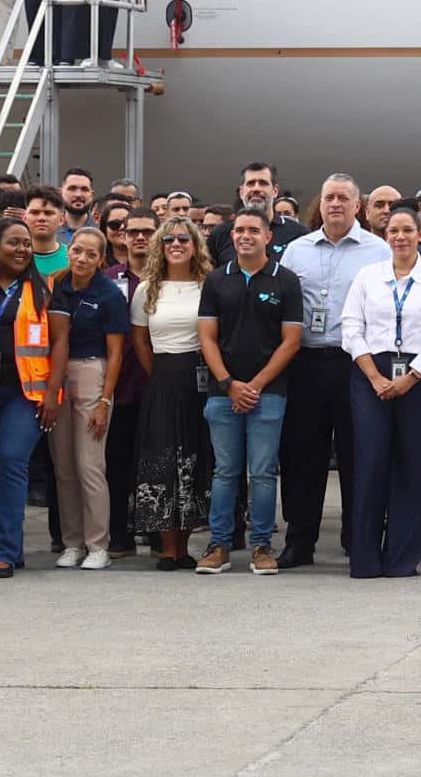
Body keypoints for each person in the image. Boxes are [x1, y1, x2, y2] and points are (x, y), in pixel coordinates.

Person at [276, 174, 388, 567]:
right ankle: (300, 540)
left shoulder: (379, 251)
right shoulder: (295, 251)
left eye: (343, 197)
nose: (336, 203)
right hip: (306, 362)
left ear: (358, 205)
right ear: (319, 204)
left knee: (358, 453)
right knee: (303, 455)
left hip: (356, 363)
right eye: (329, 197)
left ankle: (357, 536)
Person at [340, 205, 421, 578]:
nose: (401, 237)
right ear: (385, 236)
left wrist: (411, 377)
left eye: (408, 230)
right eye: (394, 230)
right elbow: (350, 329)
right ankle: (365, 559)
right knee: (371, 462)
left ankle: (401, 559)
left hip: (419, 379)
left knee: (413, 466)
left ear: (420, 235)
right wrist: (375, 377)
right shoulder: (367, 276)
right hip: (369, 375)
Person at [195, 207, 303, 576]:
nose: (245, 236)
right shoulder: (215, 280)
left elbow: (291, 341)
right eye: (239, 230)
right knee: (225, 472)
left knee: (261, 473)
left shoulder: (286, 280)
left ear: (267, 236)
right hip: (222, 393)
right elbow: (206, 337)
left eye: (253, 230)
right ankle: (219, 545)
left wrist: (255, 385)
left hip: (268, 393)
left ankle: (261, 545)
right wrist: (229, 383)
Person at [0, 217, 66, 577]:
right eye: (14, 243)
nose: (22, 249)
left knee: (11, 459)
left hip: (26, 393)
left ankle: (3, 553)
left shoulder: (45, 289)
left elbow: (60, 343)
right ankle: (6, 545)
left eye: (26, 244)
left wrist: (53, 393)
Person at [45, 226, 130, 570]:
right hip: (55, 374)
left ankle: (98, 545)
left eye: (90, 254)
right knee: (63, 466)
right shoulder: (56, 284)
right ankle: (72, 542)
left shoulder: (109, 294)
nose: (81, 258)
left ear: (101, 259)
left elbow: (116, 353)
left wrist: (104, 401)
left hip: (91, 371)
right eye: (77, 250)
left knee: (90, 465)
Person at [130, 217, 213, 570]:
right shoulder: (146, 288)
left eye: (183, 238)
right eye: (168, 240)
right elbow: (140, 342)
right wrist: (161, 376)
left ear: (195, 245)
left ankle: (186, 544)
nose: (176, 244)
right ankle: (168, 547)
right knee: (162, 461)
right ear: (159, 247)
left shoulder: (208, 285)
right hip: (162, 378)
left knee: (195, 460)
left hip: (201, 381)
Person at [101, 207, 156, 556]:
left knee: (153, 463)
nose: (139, 237)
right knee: (117, 463)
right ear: (121, 235)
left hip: (157, 384)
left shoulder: (172, 279)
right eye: (131, 230)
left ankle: (154, 531)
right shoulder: (108, 279)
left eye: (147, 231)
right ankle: (118, 533)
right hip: (119, 386)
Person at [206, 164, 307, 264]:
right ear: (241, 192)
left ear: (275, 191)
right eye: (251, 183)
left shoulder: (299, 234)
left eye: (263, 183)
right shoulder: (220, 234)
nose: (256, 189)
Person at [25, 185, 70, 276]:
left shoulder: (73, 258)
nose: (41, 218)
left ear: (61, 219)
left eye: (48, 213)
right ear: (24, 217)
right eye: (35, 212)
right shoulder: (14, 258)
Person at [60, 169, 98, 233]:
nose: (78, 195)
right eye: (72, 188)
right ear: (61, 193)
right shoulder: (49, 230)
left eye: (84, 189)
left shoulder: (102, 231)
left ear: (92, 195)